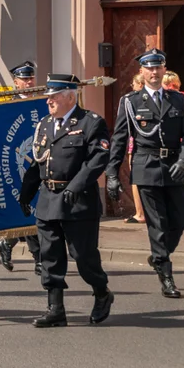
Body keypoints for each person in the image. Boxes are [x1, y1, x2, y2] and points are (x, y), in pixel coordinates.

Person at [18, 75, 114, 327]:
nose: (49, 99)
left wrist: (76, 185)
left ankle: (102, 291)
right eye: (48, 95)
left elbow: (98, 159)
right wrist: (26, 193)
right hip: (49, 200)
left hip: (78, 201)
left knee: (83, 256)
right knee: (49, 257)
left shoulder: (91, 122)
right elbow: (37, 162)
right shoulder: (45, 125)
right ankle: (55, 309)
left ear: (71, 96)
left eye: (55, 95)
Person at [106, 49, 184, 298]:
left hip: (173, 167)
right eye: (150, 68)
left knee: (181, 219)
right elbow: (119, 139)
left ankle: (159, 256)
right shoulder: (131, 101)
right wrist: (112, 173)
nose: (155, 72)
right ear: (142, 72)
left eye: (159, 68)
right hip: (146, 167)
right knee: (157, 222)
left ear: (164, 70)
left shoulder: (177, 100)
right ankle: (167, 276)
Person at [0, 61, 44, 275]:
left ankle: (8, 243)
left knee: (38, 208)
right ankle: (39, 258)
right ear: (15, 83)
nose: (29, 82)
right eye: (24, 79)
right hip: (18, 167)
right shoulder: (9, 107)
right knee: (30, 209)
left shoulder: (43, 101)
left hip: (41, 162)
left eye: (31, 78)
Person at [123, 72, 146, 224]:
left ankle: (140, 213)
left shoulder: (132, 101)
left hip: (137, 145)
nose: (132, 88)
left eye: (134, 84)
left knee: (136, 180)